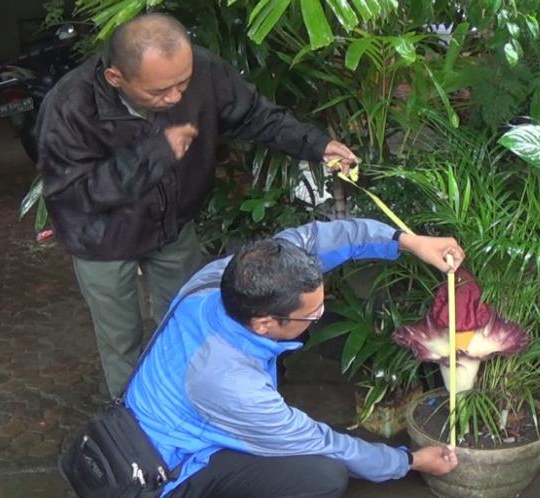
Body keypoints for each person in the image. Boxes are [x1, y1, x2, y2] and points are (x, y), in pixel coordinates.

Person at [34, 13, 359, 398]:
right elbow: (77, 195)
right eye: (160, 92)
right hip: (101, 236)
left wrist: (315, 145)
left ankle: (191, 400)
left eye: (182, 85)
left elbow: (254, 114)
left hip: (172, 223)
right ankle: (135, 421)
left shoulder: (201, 69)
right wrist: (156, 153)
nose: (175, 98)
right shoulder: (68, 107)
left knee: (189, 317)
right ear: (116, 78)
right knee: (122, 337)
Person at [124, 218, 463, 497]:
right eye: (312, 315)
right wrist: (409, 461)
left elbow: (319, 238)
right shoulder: (231, 383)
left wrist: (408, 241)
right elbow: (323, 443)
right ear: (265, 324)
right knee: (321, 475)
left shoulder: (226, 278)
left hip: (162, 422)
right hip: (166, 472)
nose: (320, 316)